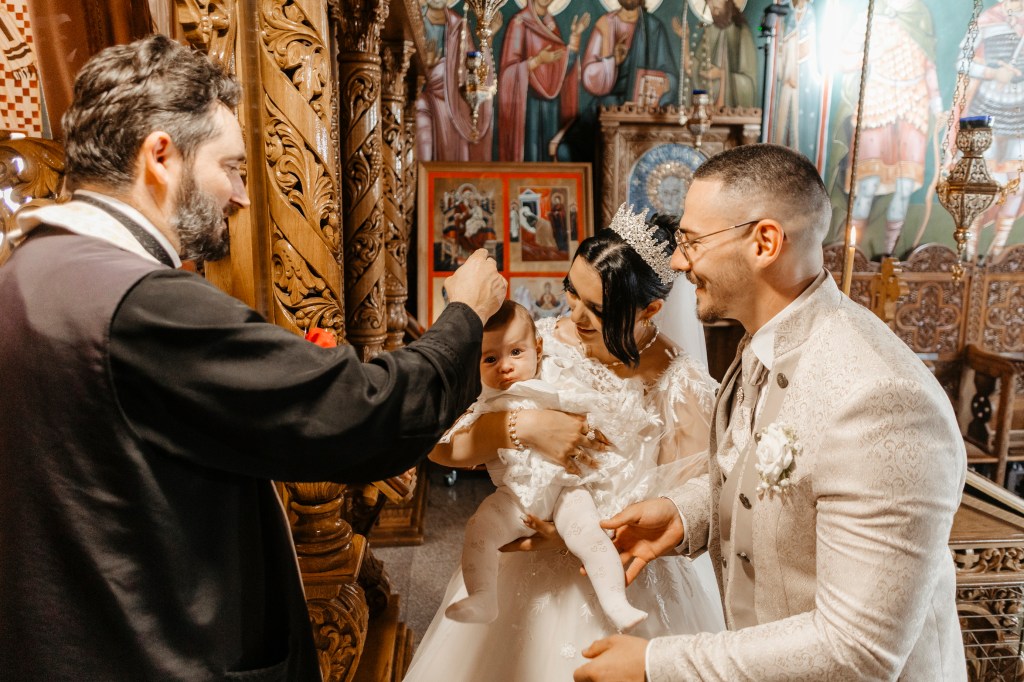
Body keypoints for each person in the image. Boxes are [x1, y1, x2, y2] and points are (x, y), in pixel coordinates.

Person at [0, 34, 507, 680]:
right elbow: (365, 415)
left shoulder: (30, 269)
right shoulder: (141, 303)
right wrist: (465, 317)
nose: (241, 196)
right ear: (161, 156)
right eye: (232, 168)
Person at [574, 144, 967, 681]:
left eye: (692, 242)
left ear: (764, 242)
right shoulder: (765, 343)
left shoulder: (881, 400)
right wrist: (687, 514)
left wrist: (654, 664)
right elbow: (779, 480)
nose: (679, 262)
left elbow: (859, 650)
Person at [403, 205, 725, 682]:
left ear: (650, 310)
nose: (573, 315)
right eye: (572, 291)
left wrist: (578, 536)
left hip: (620, 574)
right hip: (517, 565)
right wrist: (522, 425)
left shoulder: (682, 387)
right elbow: (441, 445)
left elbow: (686, 514)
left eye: (597, 309)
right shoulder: (536, 343)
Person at [431, 299, 647, 631]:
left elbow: (589, 409)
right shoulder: (484, 402)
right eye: (490, 359)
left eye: (516, 353)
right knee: (481, 528)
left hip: (567, 489)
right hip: (514, 497)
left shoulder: (556, 379)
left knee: (588, 534)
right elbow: (449, 442)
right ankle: (483, 597)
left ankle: (616, 601)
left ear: (538, 349)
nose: (505, 366)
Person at [832, 0, 941, 257]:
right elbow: (845, 61)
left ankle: (889, 258)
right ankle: (853, 256)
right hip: (878, 103)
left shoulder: (920, 14)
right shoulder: (871, 15)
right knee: (867, 184)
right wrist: (875, 52)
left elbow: (928, 65)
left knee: (904, 186)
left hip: (913, 107)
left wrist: (938, 107)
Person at [960, 0, 1024, 260]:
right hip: (984, 107)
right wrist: (992, 73)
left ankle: (997, 255)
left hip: (1020, 113)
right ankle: (968, 255)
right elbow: (962, 62)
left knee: (1018, 183)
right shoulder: (989, 18)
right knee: (976, 184)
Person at [498, 0, 590, 162]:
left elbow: (562, 70)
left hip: (551, 107)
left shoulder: (551, 26)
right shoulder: (519, 23)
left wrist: (575, 38)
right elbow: (508, 73)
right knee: (531, 157)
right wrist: (537, 61)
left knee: (548, 157)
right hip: (527, 105)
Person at [416, 0, 493, 162]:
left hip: (454, 102)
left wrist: (486, 43)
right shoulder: (416, 20)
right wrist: (426, 65)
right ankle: (419, 175)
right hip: (425, 97)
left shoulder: (458, 24)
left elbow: (471, 70)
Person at [581, 0, 677, 109]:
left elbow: (671, 77)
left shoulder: (654, 27)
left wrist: (663, 83)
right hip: (608, 107)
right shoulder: (605, 25)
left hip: (643, 108)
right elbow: (588, 76)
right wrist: (613, 61)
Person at [681, 0, 757, 108]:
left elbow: (748, 84)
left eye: (717, 8)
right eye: (711, 9)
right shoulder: (709, 32)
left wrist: (722, 74)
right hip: (708, 106)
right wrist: (685, 39)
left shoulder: (742, 33)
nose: (715, 13)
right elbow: (692, 69)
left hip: (731, 110)